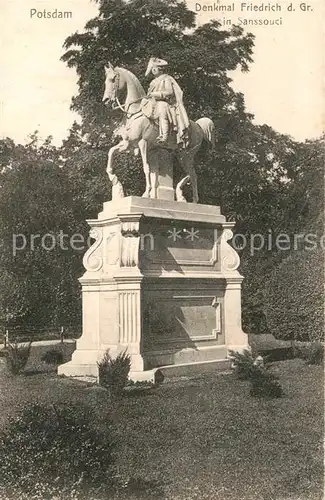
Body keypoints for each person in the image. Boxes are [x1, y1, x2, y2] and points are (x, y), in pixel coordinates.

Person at [143, 57, 190, 147]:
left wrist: (156, 94)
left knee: (161, 108)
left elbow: (170, 92)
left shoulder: (166, 78)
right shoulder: (153, 82)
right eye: (153, 68)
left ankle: (164, 137)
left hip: (165, 103)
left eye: (155, 68)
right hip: (153, 103)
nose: (153, 70)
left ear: (161, 70)